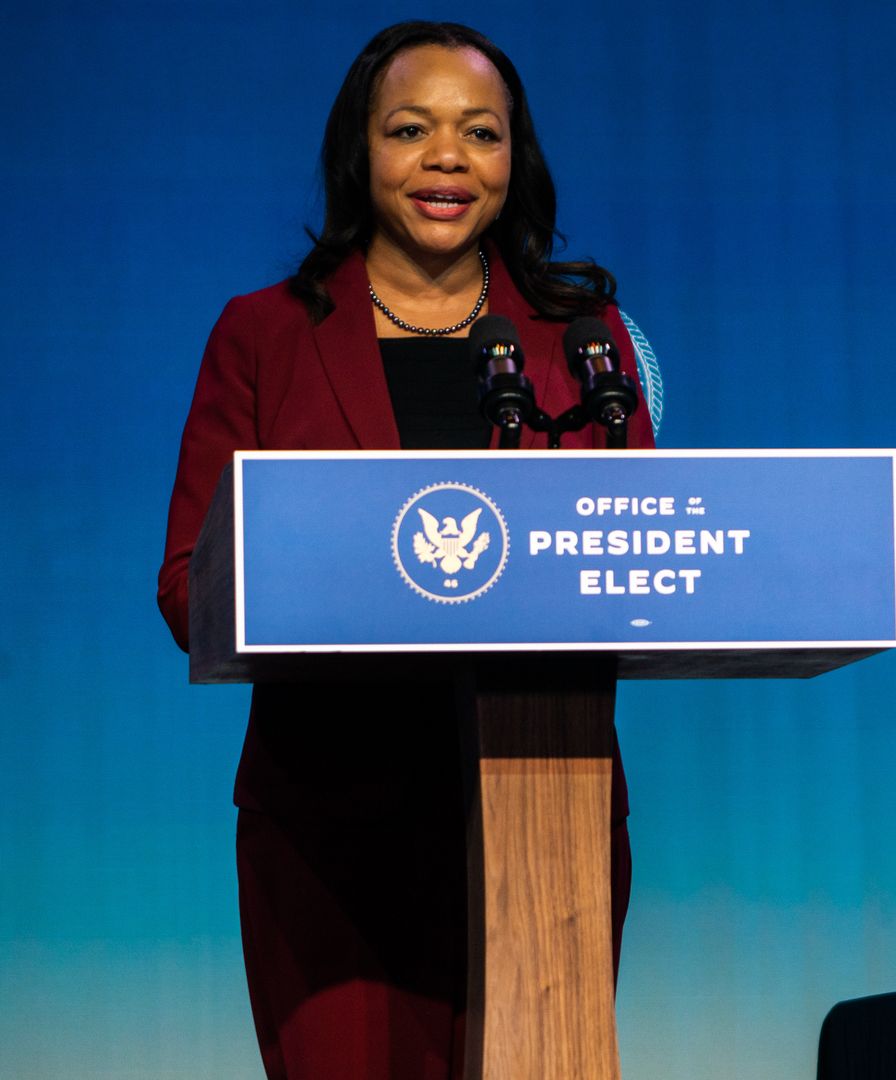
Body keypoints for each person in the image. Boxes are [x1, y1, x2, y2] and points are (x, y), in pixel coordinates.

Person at [156, 22, 653, 1078]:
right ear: (359, 150)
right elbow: (185, 584)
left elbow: (644, 557)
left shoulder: (584, 338)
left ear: (515, 162)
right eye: (410, 129)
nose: (447, 159)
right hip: (329, 823)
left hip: (543, 805)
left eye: (481, 134)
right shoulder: (266, 334)